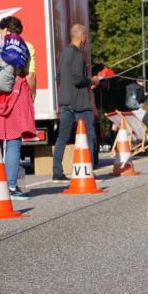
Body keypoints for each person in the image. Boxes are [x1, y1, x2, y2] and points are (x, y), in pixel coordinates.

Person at [0, 16, 36, 198]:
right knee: (13, 141)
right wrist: (32, 95)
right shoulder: (27, 46)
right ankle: (11, 187)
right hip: (16, 95)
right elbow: (30, 76)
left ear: (2, 29)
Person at [52, 24, 101, 181]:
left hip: (65, 101)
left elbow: (58, 77)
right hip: (80, 103)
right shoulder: (79, 55)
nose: (86, 38)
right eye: (85, 34)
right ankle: (89, 171)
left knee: (62, 138)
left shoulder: (64, 53)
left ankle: (57, 172)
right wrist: (92, 80)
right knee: (90, 136)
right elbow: (78, 79)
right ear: (81, 36)